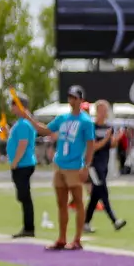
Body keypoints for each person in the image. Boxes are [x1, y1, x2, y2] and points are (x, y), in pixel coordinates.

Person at [13, 86, 92, 250]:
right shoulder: (62, 118)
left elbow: (90, 145)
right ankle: (62, 238)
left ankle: (77, 239)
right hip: (60, 164)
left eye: (75, 98)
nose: (71, 100)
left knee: (78, 202)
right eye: (70, 97)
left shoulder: (86, 121)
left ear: (80, 100)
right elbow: (45, 130)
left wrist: (86, 167)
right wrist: (29, 118)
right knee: (61, 203)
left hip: (75, 165)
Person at [85, 99, 127, 234]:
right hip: (93, 165)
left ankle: (85, 222)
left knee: (96, 196)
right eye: (101, 110)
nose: (104, 113)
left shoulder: (109, 127)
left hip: (104, 164)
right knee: (103, 192)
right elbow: (93, 147)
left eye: (105, 110)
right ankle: (114, 220)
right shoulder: (92, 127)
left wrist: (117, 138)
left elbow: (111, 146)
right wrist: (106, 139)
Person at [7, 96, 38, 238]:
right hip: (21, 164)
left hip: (23, 164)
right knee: (22, 196)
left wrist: (15, 162)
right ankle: (27, 226)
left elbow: (23, 144)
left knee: (25, 197)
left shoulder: (24, 124)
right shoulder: (20, 124)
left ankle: (29, 227)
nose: (12, 108)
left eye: (14, 105)